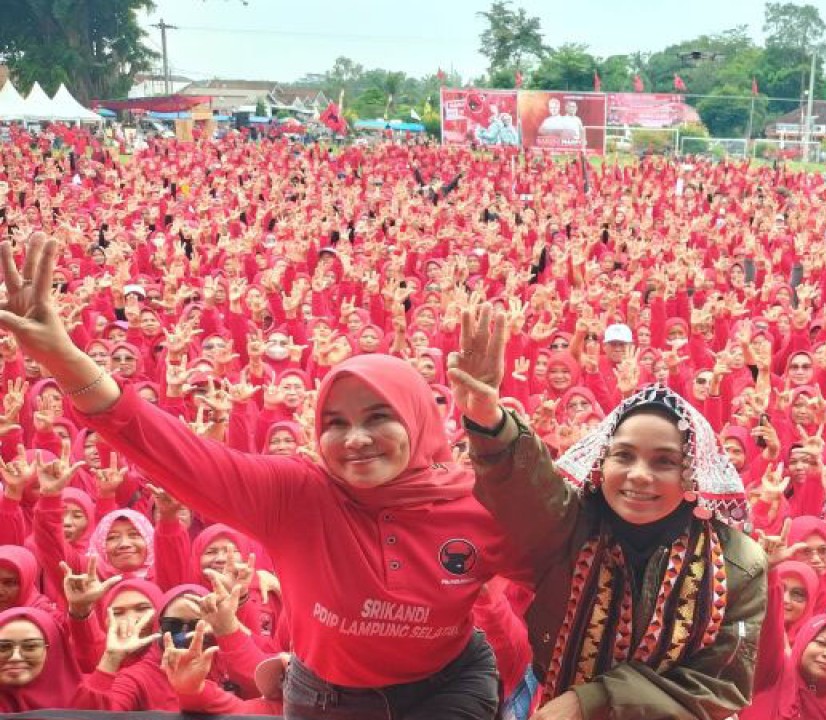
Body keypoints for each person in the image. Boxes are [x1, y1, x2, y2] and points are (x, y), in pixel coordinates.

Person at [0, 233, 512, 719]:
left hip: (450, 684)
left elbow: (555, 559)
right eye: (335, 423)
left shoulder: (479, 501)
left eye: (379, 417)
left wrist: (493, 422)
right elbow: (175, 452)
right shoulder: (296, 495)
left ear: (419, 420)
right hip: (328, 698)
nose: (355, 438)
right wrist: (64, 359)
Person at [451, 303, 766, 720]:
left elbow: (718, 685)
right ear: (602, 462)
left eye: (664, 462)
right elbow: (530, 493)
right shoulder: (574, 523)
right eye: (624, 456)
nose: (639, 475)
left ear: (692, 474)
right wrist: (489, 420)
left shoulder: (738, 564)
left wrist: (590, 700)